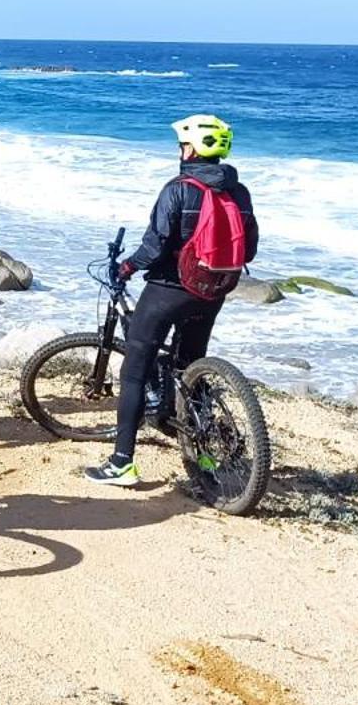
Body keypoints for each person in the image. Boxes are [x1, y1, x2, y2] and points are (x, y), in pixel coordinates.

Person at [87, 114, 259, 488]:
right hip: (213, 292)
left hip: (169, 290)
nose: (180, 150)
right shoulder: (239, 191)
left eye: (183, 144)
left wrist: (127, 267)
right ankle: (205, 451)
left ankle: (121, 464)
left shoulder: (178, 188)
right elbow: (252, 248)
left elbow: (154, 246)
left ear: (192, 149)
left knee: (134, 370)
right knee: (189, 367)